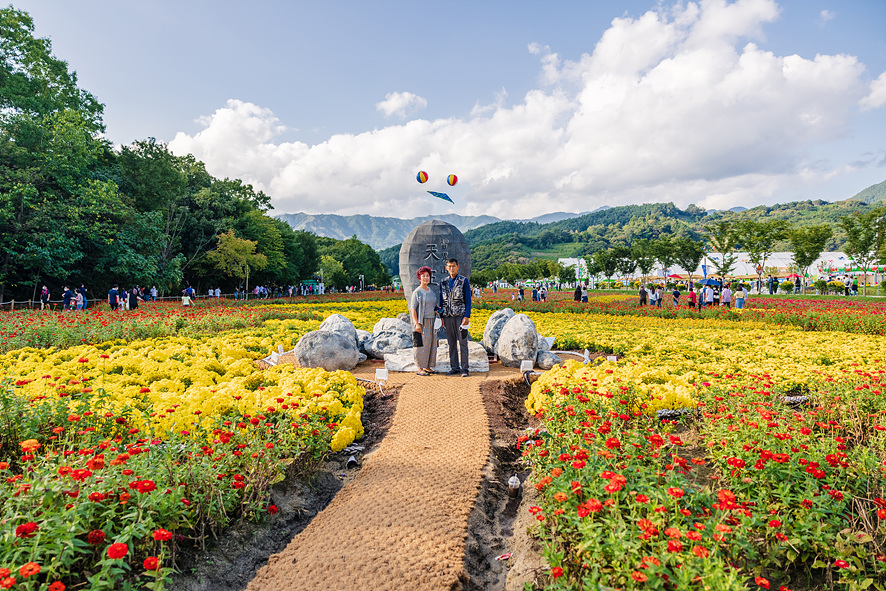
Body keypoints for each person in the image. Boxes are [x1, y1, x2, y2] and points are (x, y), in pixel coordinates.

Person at [438, 258, 471, 377]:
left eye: (453, 266)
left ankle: (465, 368)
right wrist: (441, 316)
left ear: (458, 266)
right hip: (447, 317)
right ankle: (454, 367)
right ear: (446, 268)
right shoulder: (443, 282)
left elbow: (468, 299)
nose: (451, 268)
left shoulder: (464, 281)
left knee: (463, 343)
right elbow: (441, 301)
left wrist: (466, 316)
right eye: (449, 266)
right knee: (451, 343)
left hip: (460, 316)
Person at [410, 266, 438, 376]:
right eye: (423, 276)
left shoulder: (430, 290)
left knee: (431, 344)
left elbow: (433, 304)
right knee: (421, 345)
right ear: (419, 278)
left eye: (427, 276)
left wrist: (437, 310)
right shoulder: (417, 292)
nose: (426, 278)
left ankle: (428, 366)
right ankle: (420, 367)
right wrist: (417, 323)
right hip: (422, 322)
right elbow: (413, 308)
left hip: (432, 321)